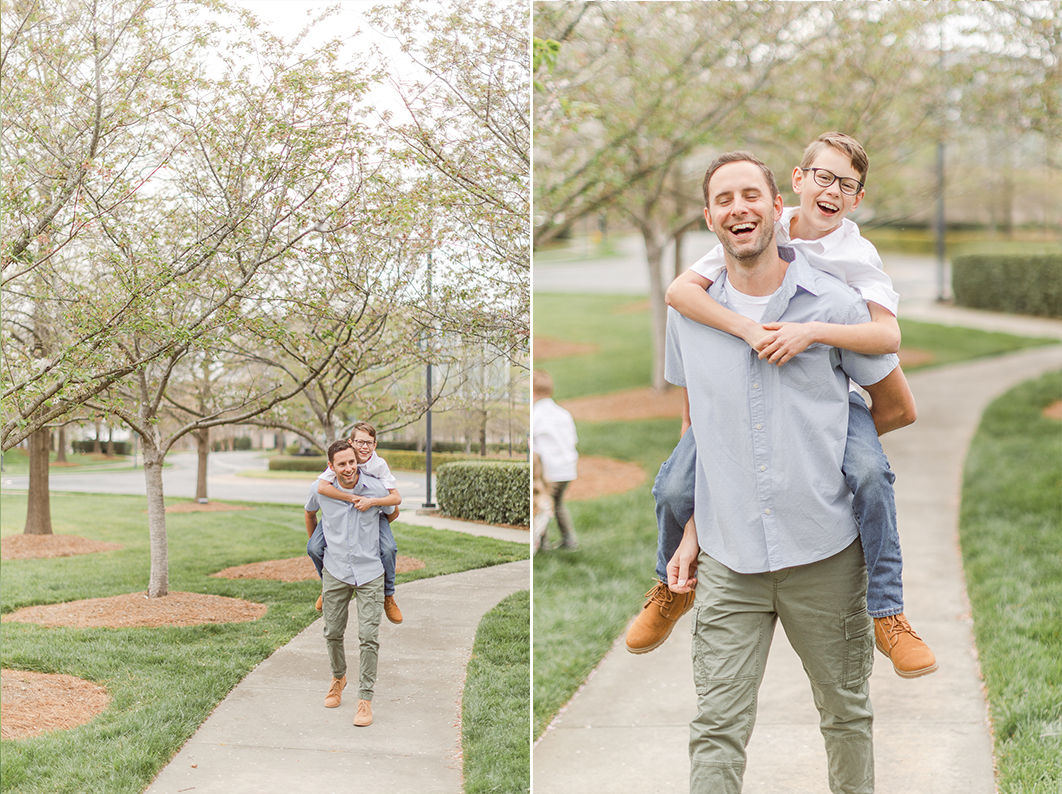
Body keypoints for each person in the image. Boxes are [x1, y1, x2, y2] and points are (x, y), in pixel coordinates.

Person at [626, 132, 936, 680]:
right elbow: (680, 293)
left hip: (830, 393)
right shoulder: (759, 221)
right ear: (797, 182)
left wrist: (812, 332)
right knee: (674, 485)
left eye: (847, 184)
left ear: (857, 198)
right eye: (823, 177)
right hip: (737, 400)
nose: (833, 190)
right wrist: (748, 330)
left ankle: (888, 611)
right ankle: (669, 585)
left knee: (867, 472)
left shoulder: (855, 256)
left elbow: (887, 338)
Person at [665, 151, 908, 792]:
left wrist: (818, 450)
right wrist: (689, 531)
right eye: (724, 199)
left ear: (779, 208)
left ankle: (891, 609)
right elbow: (697, 428)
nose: (738, 208)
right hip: (728, 557)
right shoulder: (690, 310)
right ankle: (660, 591)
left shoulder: (839, 305)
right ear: (710, 218)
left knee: (846, 716)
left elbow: (897, 406)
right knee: (715, 727)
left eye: (751, 195)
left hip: (824, 554)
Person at [305, 438, 396, 727]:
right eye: (341, 464)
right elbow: (309, 512)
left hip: (370, 572)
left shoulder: (374, 487)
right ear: (331, 467)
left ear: (358, 461)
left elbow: (393, 511)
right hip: (335, 570)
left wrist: (374, 516)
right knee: (332, 632)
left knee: (369, 638)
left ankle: (365, 699)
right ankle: (338, 677)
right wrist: (315, 543)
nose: (348, 468)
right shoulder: (321, 488)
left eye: (352, 462)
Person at [306, 422, 403, 624]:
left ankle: (388, 595)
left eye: (369, 442)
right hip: (338, 517)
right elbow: (322, 489)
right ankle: (327, 587)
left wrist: (372, 512)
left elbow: (395, 503)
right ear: (351, 442)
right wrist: (351, 500)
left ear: (375, 445)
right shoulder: (342, 459)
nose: (364, 447)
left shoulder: (378, 465)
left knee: (388, 548)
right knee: (314, 547)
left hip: (374, 511)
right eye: (360, 442)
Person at [532, 370, 580, 551]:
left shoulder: (536, 416)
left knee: (540, 505)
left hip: (549, 472)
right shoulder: (563, 413)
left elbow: (534, 447)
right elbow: (573, 440)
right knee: (557, 503)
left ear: (533, 393)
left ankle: (541, 543)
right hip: (568, 469)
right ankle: (569, 540)